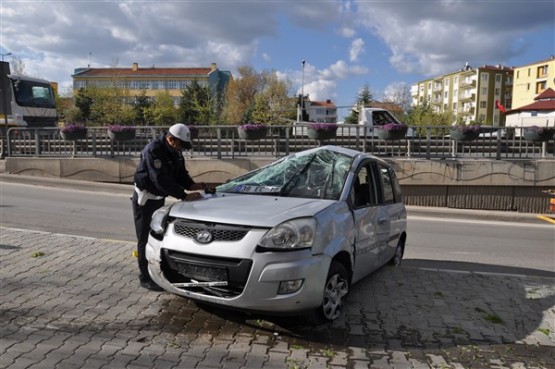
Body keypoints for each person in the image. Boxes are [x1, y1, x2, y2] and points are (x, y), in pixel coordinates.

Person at [131, 123, 208, 291]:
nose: (181, 149)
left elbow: (180, 173)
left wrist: (192, 185)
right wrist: (183, 195)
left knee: (158, 235)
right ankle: (145, 277)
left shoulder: (175, 150)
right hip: (145, 199)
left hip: (158, 197)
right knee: (144, 238)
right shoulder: (154, 150)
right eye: (180, 144)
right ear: (171, 139)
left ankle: (159, 271)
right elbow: (160, 179)